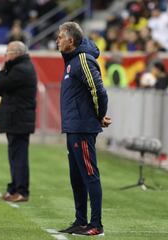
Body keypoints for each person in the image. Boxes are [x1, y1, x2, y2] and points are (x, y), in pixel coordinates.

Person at [56, 22, 111, 236]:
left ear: (71, 40)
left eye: (61, 37)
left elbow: (99, 91)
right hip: (73, 127)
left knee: (89, 175)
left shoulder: (83, 60)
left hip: (82, 128)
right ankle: (81, 221)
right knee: (76, 177)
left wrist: (98, 117)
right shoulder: (71, 61)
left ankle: (96, 224)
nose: (57, 40)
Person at [0, 41, 37, 203]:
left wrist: (2, 70)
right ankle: (13, 188)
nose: (6, 55)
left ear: (17, 53)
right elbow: (0, 89)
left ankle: (21, 191)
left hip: (19, 118)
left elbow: (0, 83)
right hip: (15, 118)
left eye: (8, 52)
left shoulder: (21, 69)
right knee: (14, 155)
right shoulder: (18, 68)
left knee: (19, 157)